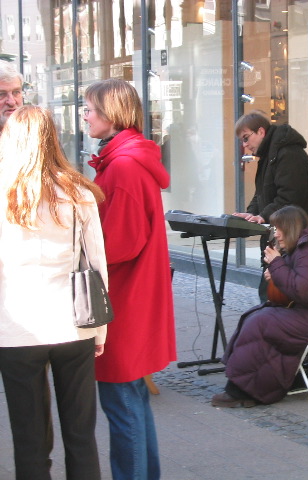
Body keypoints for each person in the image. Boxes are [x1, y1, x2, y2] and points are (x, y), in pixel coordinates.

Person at [0, 105, 107, 479]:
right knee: (81, 436)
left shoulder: (4, 193)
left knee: (28, 441)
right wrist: (100, 330)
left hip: (16, 329)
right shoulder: (77, 192)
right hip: (72, 323)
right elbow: (97, 264)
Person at [84, 78, 176, 480]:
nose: (85, 115)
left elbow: (119, 244)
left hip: (122, 301)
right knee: (132, 402)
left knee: (122, 405)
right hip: (131, 298)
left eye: (90, 108)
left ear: (110, 113)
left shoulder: (122, 166)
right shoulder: (126, 160)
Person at [211, 205, 308, 407]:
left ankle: (243, 389)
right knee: (258, 316)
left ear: (291, 228)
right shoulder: (303, 249)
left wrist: (277, 265)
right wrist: (277, 272)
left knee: (262, 323)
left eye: (279, 228)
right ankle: (251, 384)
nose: (276, 234)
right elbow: (297, 283)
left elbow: (302, 291)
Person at [233, 110, 308, 300]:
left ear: (261, 131)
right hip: (285, 238)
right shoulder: (270, 155)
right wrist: (250, 214)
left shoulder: (288, 153)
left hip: (298, 239)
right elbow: (262, 195)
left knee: (279, 299)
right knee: (270, 297)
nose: (245, 145)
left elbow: (290, 196)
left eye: (246, 138)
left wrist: (263, 216)